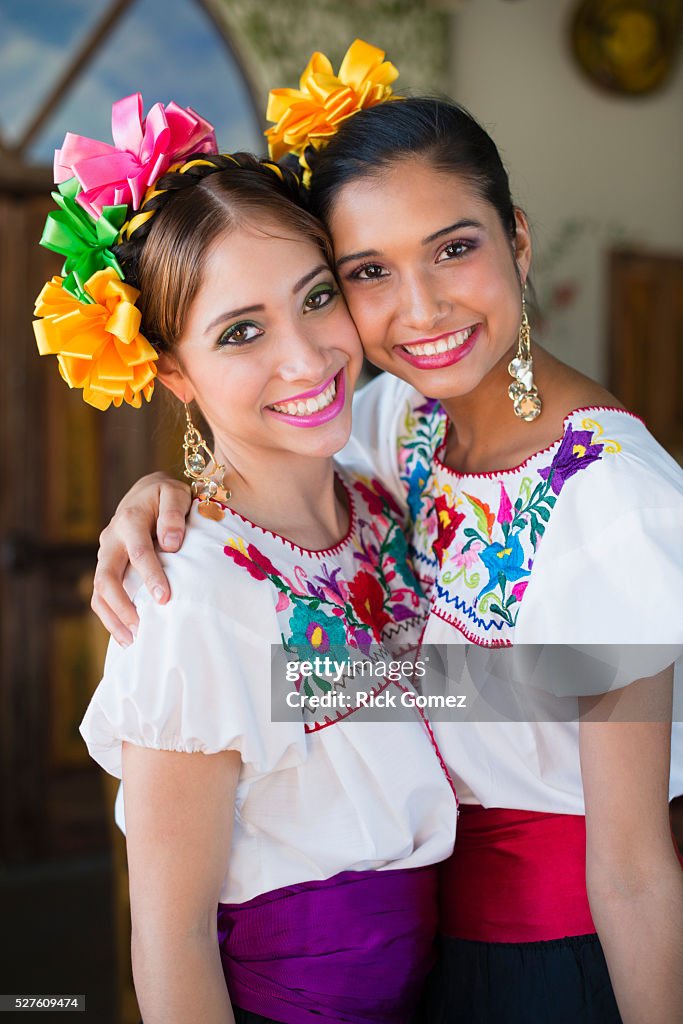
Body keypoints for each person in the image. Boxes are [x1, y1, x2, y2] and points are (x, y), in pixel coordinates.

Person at [89, 45, 683, 1024]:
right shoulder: (396, 427)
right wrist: (163, 495)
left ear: (516, 239)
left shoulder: (613, 507)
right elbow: (349, 659)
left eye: (454, 247)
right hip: (409, 961)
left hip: (562, 961)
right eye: (365, 272)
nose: (420, 309)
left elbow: (629, 869)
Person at [34, 94, 459, 1024]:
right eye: (240, 331)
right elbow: (170, 940)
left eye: (316, 297)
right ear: (172, 372)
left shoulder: (385, 500)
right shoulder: (189, 598)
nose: (307, 359)